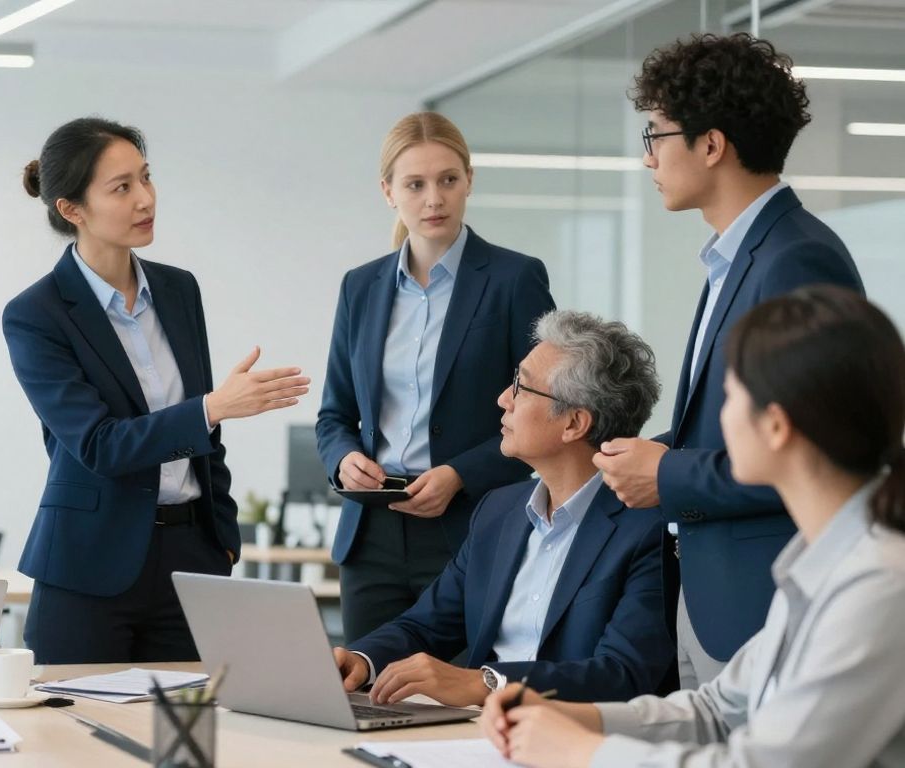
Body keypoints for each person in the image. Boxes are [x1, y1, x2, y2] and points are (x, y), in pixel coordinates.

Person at [485, 285, 905, 767]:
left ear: (775, 426)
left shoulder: (879, 584)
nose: (707, 427)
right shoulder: (820, 563)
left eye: (728, 397)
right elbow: (717, 709)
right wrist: (577, 718)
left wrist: (582, 750)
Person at [592, 33, 863, 686]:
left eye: (655, 135)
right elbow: (727, 427)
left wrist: (669, 474)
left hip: (761, 606)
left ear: (711, 145)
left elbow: (820, 454)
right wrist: (637, 457)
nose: (648, 158)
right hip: (712, 598)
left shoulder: (795, 258)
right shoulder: (736, 257)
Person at [2, 117, 309, 663]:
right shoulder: (36, 314)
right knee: (74, 742)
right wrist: (213, 407)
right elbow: (100, 445)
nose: (146, 198)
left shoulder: (177, 289)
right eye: (122, 188)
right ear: (73, 210)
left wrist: (223, 533)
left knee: (190, 737)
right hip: (90, 564)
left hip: (193, 557)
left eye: (146, 178)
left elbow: (202, 439)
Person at [331, 310, 671, 706]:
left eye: (521, 387)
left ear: (574, 424)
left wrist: (487, 683)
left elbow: (622, 674)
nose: (503, 398)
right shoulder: (498, 511)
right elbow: (426, 624)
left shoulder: (650, 528)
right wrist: (361, 659)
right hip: (474, 734)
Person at [317, 111, 556, 643]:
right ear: (388, 192)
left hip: (466, 527)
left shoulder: (514, 279)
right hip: (371, 534)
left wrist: (459, 475)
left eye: (448, 180)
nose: (434, 199)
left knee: (451, 702)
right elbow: (334, 413)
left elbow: (543, 413)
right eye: (415, 184)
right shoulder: (361, 287)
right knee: (364, 693)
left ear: (469, 180)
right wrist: (342, 459)